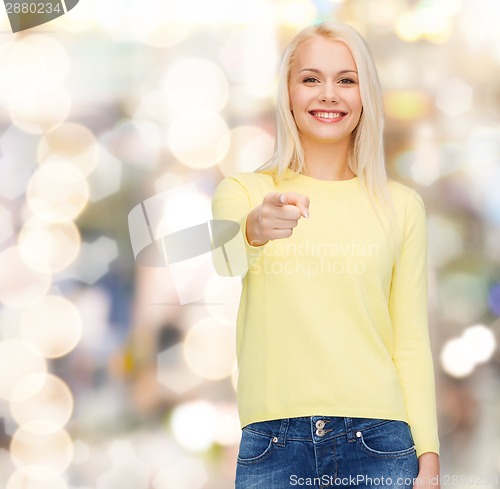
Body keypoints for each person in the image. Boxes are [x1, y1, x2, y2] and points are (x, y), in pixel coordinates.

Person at [211, 21, 441, 489]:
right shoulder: (244, 191)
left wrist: (430, 458)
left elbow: (411, 341)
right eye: (311, 79)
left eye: (347, 80)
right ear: (288, 92)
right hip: (273, 445)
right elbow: (226, 261)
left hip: (381, 443)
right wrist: (255, 229)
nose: (329, 94)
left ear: (365, 96)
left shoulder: (401, 207)